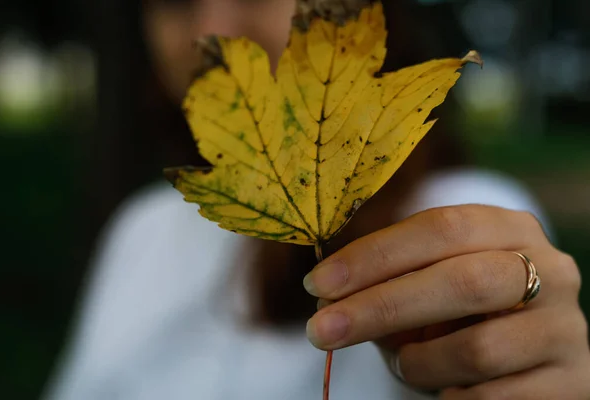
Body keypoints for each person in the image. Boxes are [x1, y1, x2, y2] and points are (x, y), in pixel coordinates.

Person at [44, 1, 590, 399]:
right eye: (176, 1)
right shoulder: (142, 228)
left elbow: (498, 353)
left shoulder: (456, 217)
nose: (209, 31)